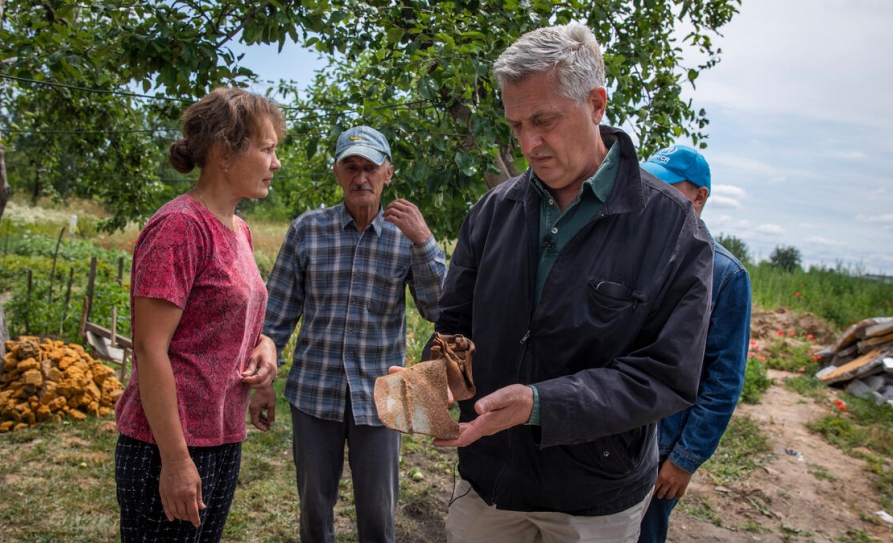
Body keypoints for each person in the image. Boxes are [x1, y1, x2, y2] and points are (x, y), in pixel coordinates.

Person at [431, 23, 714, 542]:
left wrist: (540, 404)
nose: (529, 144)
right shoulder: (495, 210)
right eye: (516, 125)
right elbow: (455, 322)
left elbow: (667, 374)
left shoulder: (673, 227)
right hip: (488, 482)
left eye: (544, 120)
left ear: (597, 104)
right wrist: (437, 374)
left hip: (595, 500)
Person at [263, 125, 448, 543]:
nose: (360, 177)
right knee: (313, 509)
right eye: (351, 166)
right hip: (314, 390)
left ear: (388, 172)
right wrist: (264, 381)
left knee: (379, 514)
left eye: (370, 167)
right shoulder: (307, 229)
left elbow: (440, 310)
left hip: (385, 395)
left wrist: (424, 242)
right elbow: (275, 317)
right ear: (337, 173)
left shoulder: (408, 234)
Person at [114, 87, 284, 542]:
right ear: (224, 153)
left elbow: (234, 320)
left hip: (222, 436)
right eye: (267, 149)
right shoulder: (180, 227)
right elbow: (150, 350)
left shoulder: (239, 229)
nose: (276, 162)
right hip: (167, 445)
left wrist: (263, 352)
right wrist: (176, 460)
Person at [637, 145, 752, 543]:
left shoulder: (725, 275)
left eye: (669, 186)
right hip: (617, 434)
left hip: (662, 447)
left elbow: (723, 381)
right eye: (649, 182)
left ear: (700, 197)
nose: (655, 192)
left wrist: (683, 461)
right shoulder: (637, 254)